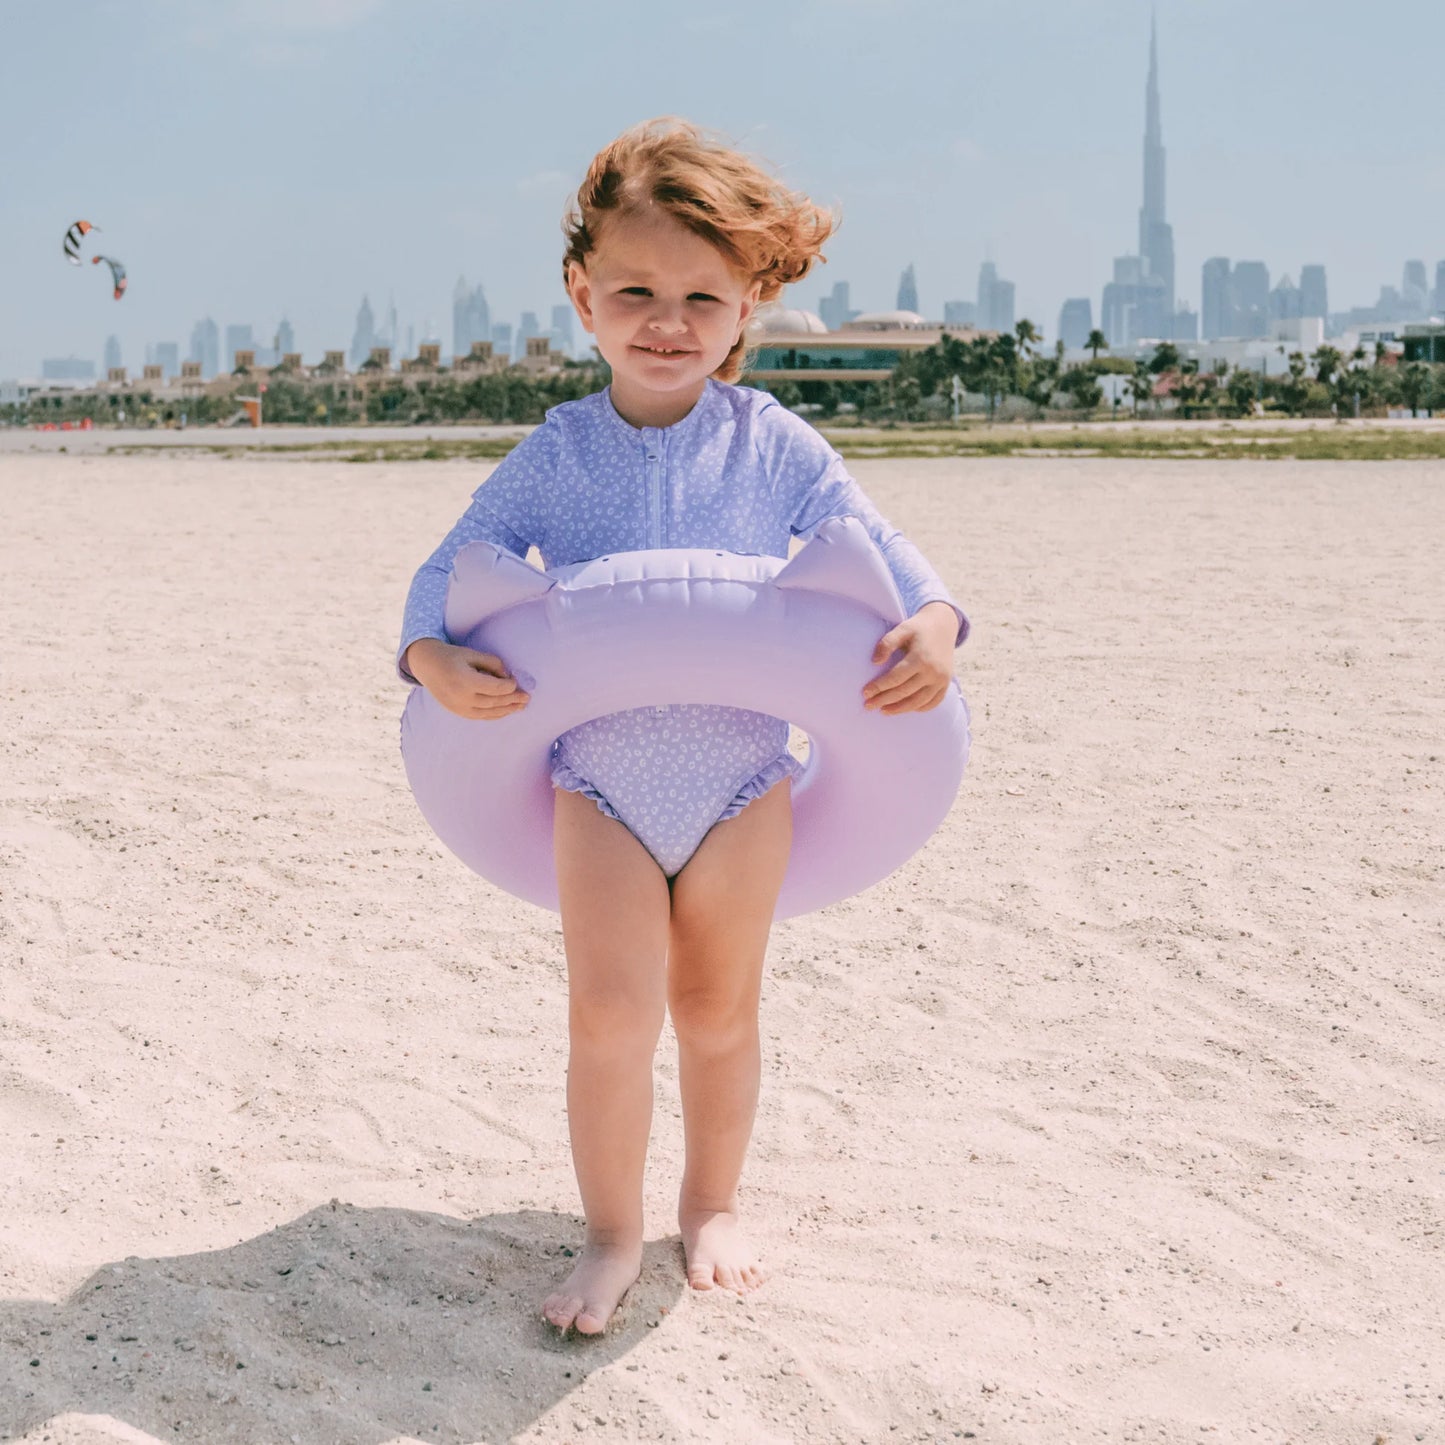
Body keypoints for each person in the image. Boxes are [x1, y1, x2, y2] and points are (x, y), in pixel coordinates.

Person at [398, 117, 968, 1335]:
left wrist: (935, 620)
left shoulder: (773, 445)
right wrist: (427, 656)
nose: (668, 322)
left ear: (748, 301)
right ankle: (610, 1233)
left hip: (741, 782)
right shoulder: (556, 452)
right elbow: (451, 562)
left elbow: (882, 546)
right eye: (635, 293)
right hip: (596, 784)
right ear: (581, 295)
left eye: (701, 296)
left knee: (716, 1011)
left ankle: (710, 1205)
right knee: (608, 1017)